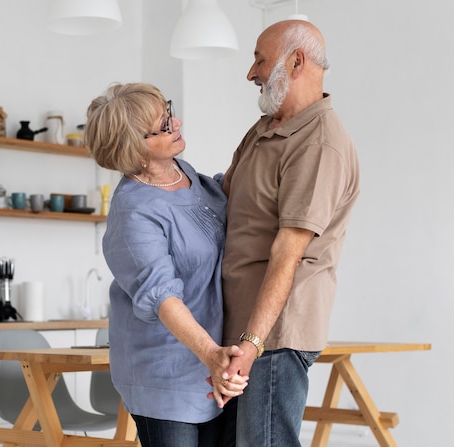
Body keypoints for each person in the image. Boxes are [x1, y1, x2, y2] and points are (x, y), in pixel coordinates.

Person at [219, 20, 361, 446]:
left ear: (295, 61)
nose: (251, 73)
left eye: (260, 60)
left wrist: (252, 343)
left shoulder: (319, 145)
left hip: (273, 339)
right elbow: (221, 199)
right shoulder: (266, 129)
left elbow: (288, 253)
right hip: (238, 333)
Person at [84, 82, 247, 447]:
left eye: (169, 114)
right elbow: (163, 297)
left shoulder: (184, 174)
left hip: (212, 365)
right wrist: (213, 357)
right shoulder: (134, 210)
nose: (178, 124)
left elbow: (222, 197)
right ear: (133, 147)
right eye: (164, 125)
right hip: (166, 374)